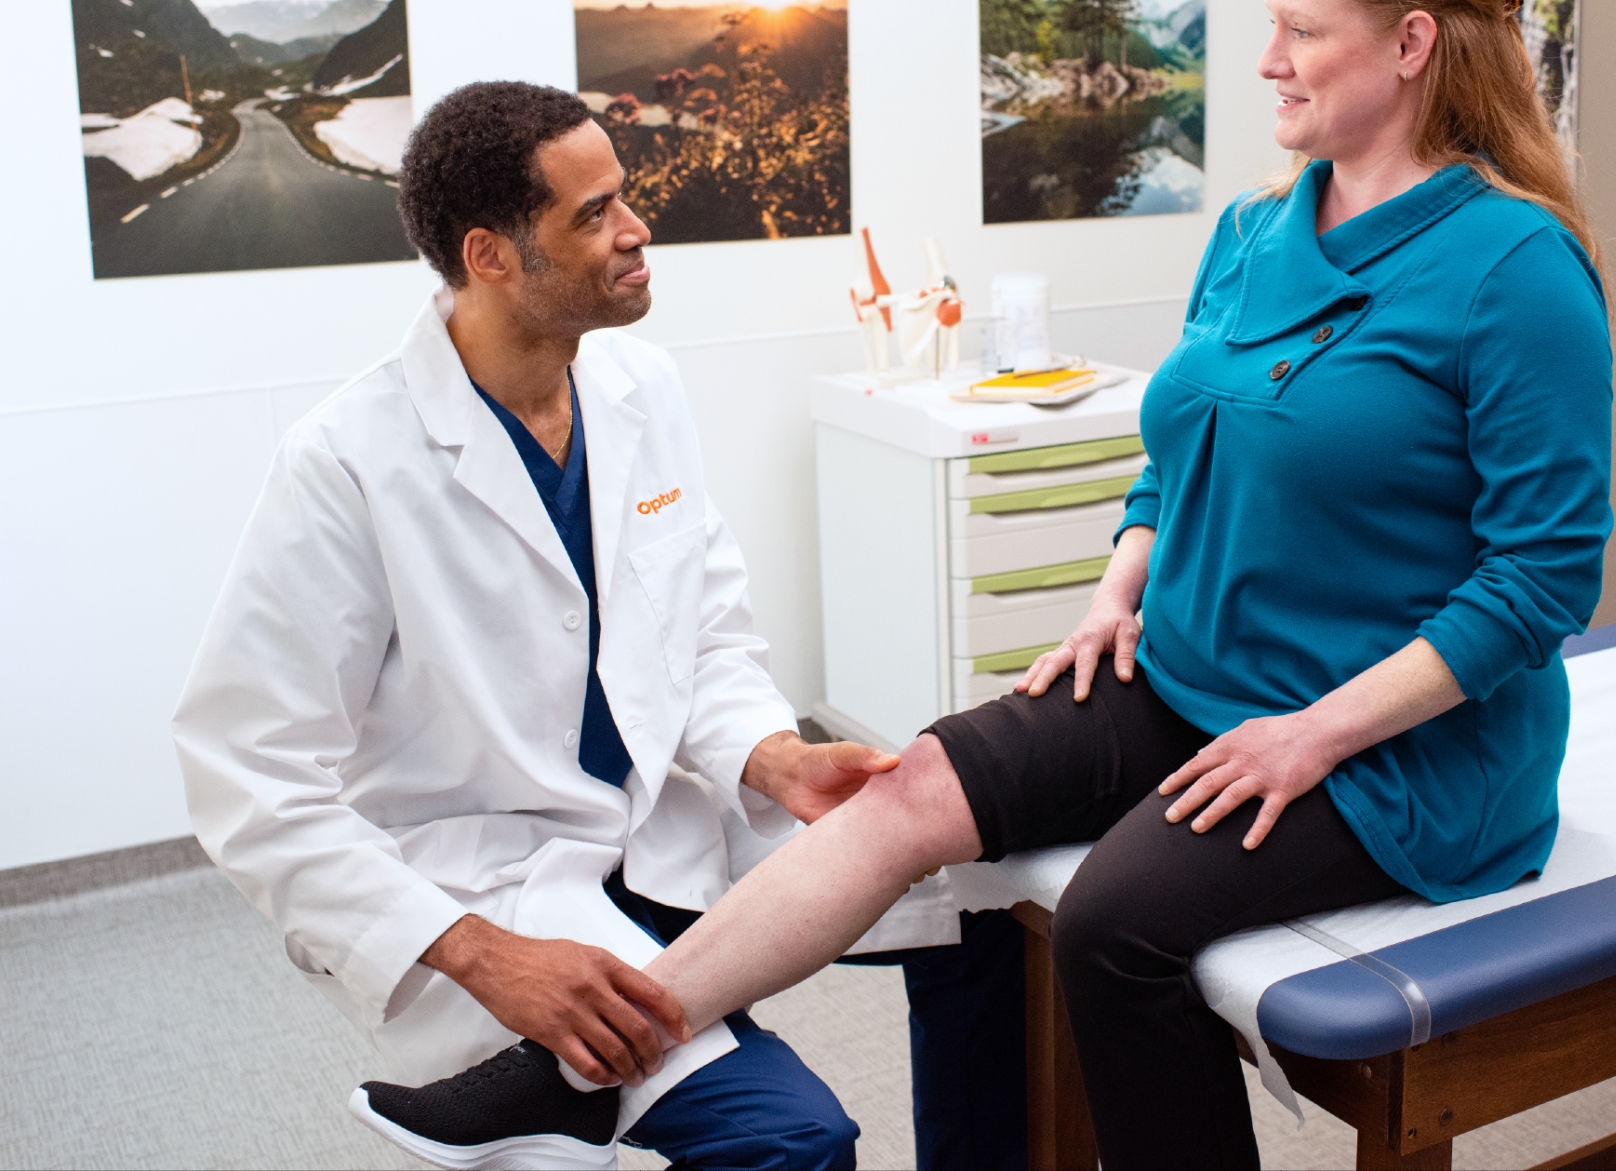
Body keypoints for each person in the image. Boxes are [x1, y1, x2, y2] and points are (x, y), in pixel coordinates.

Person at [373, 0, 1613, 1169]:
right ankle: (599, 1060)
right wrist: (1117, 590)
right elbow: (1183, 452)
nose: (1263, 61)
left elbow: (1543, 577)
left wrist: (1309, 735)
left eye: (1302, 30)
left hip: (1397, 747)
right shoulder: (1257, 229)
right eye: (1269, 23)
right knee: (913, 783)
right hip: (1192, 672)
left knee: (1112, 924)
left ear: (1412, 44)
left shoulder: (1514, 269)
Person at [171, 80, 1024, 1171]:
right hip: (500, 887)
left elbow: (705, 632)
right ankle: (538, 1080)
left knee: (986, 905)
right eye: (593, 214)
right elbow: (249, 777)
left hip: (675, 827)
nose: (636, 231)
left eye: (624, 195)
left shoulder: (639, 386)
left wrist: (775, 760)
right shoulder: (347, 462)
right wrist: (487, 954)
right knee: (794, 1142)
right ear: (490, 256)